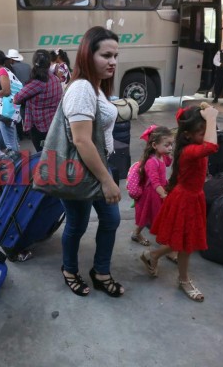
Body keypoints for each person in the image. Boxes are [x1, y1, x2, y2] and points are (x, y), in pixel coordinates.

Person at [58, 26, 123, 298]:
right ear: (88, 54)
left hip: (96, 165)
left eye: (116, 56)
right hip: (81, 170)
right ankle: (70, 269)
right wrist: (107, 181)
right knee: (77, 224)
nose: (113, 62)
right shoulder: (82, 87)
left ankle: (101, 271)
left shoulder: (95, 86)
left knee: (111, 219)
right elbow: (82, 141)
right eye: (106, 55)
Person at [141, 105, 219, 302]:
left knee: (186, 241)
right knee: (186, 245)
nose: (208, 134)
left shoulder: (194, 146)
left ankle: (153, 255)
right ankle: (183, 280)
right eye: (203, 131)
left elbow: (210, 142)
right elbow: (213, 146)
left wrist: (208, 117)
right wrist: (211, 118)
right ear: (187, 135)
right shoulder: (190, 151)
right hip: (185, 200)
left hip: (193, 197)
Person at [131, 126, 173, 248]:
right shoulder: (151, 162)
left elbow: (167, 163)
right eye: (167, 145)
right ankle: (138, 234)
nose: (170, 148)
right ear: (155, 145)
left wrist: (169, 155)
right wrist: (164, 194)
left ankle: (142, 234)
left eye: (171, 144)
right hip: (151, 194)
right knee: (150, 216)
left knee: (155, 216)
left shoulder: (162, 156)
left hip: (159, 191)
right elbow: (155, 182)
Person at [13, 49, 62, 151]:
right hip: (53, 122)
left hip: (39, 125)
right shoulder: (55, 79)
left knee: (42, 154)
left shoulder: (38, 83)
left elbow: (16, 99)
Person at [0, 49, 21, 152]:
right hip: (10, 109)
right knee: (12, 140)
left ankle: (15, 164)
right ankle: (18, 163)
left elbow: (6, 91)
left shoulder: (2, 71)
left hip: (6, 110)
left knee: (9, 143)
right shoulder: (6, 70)